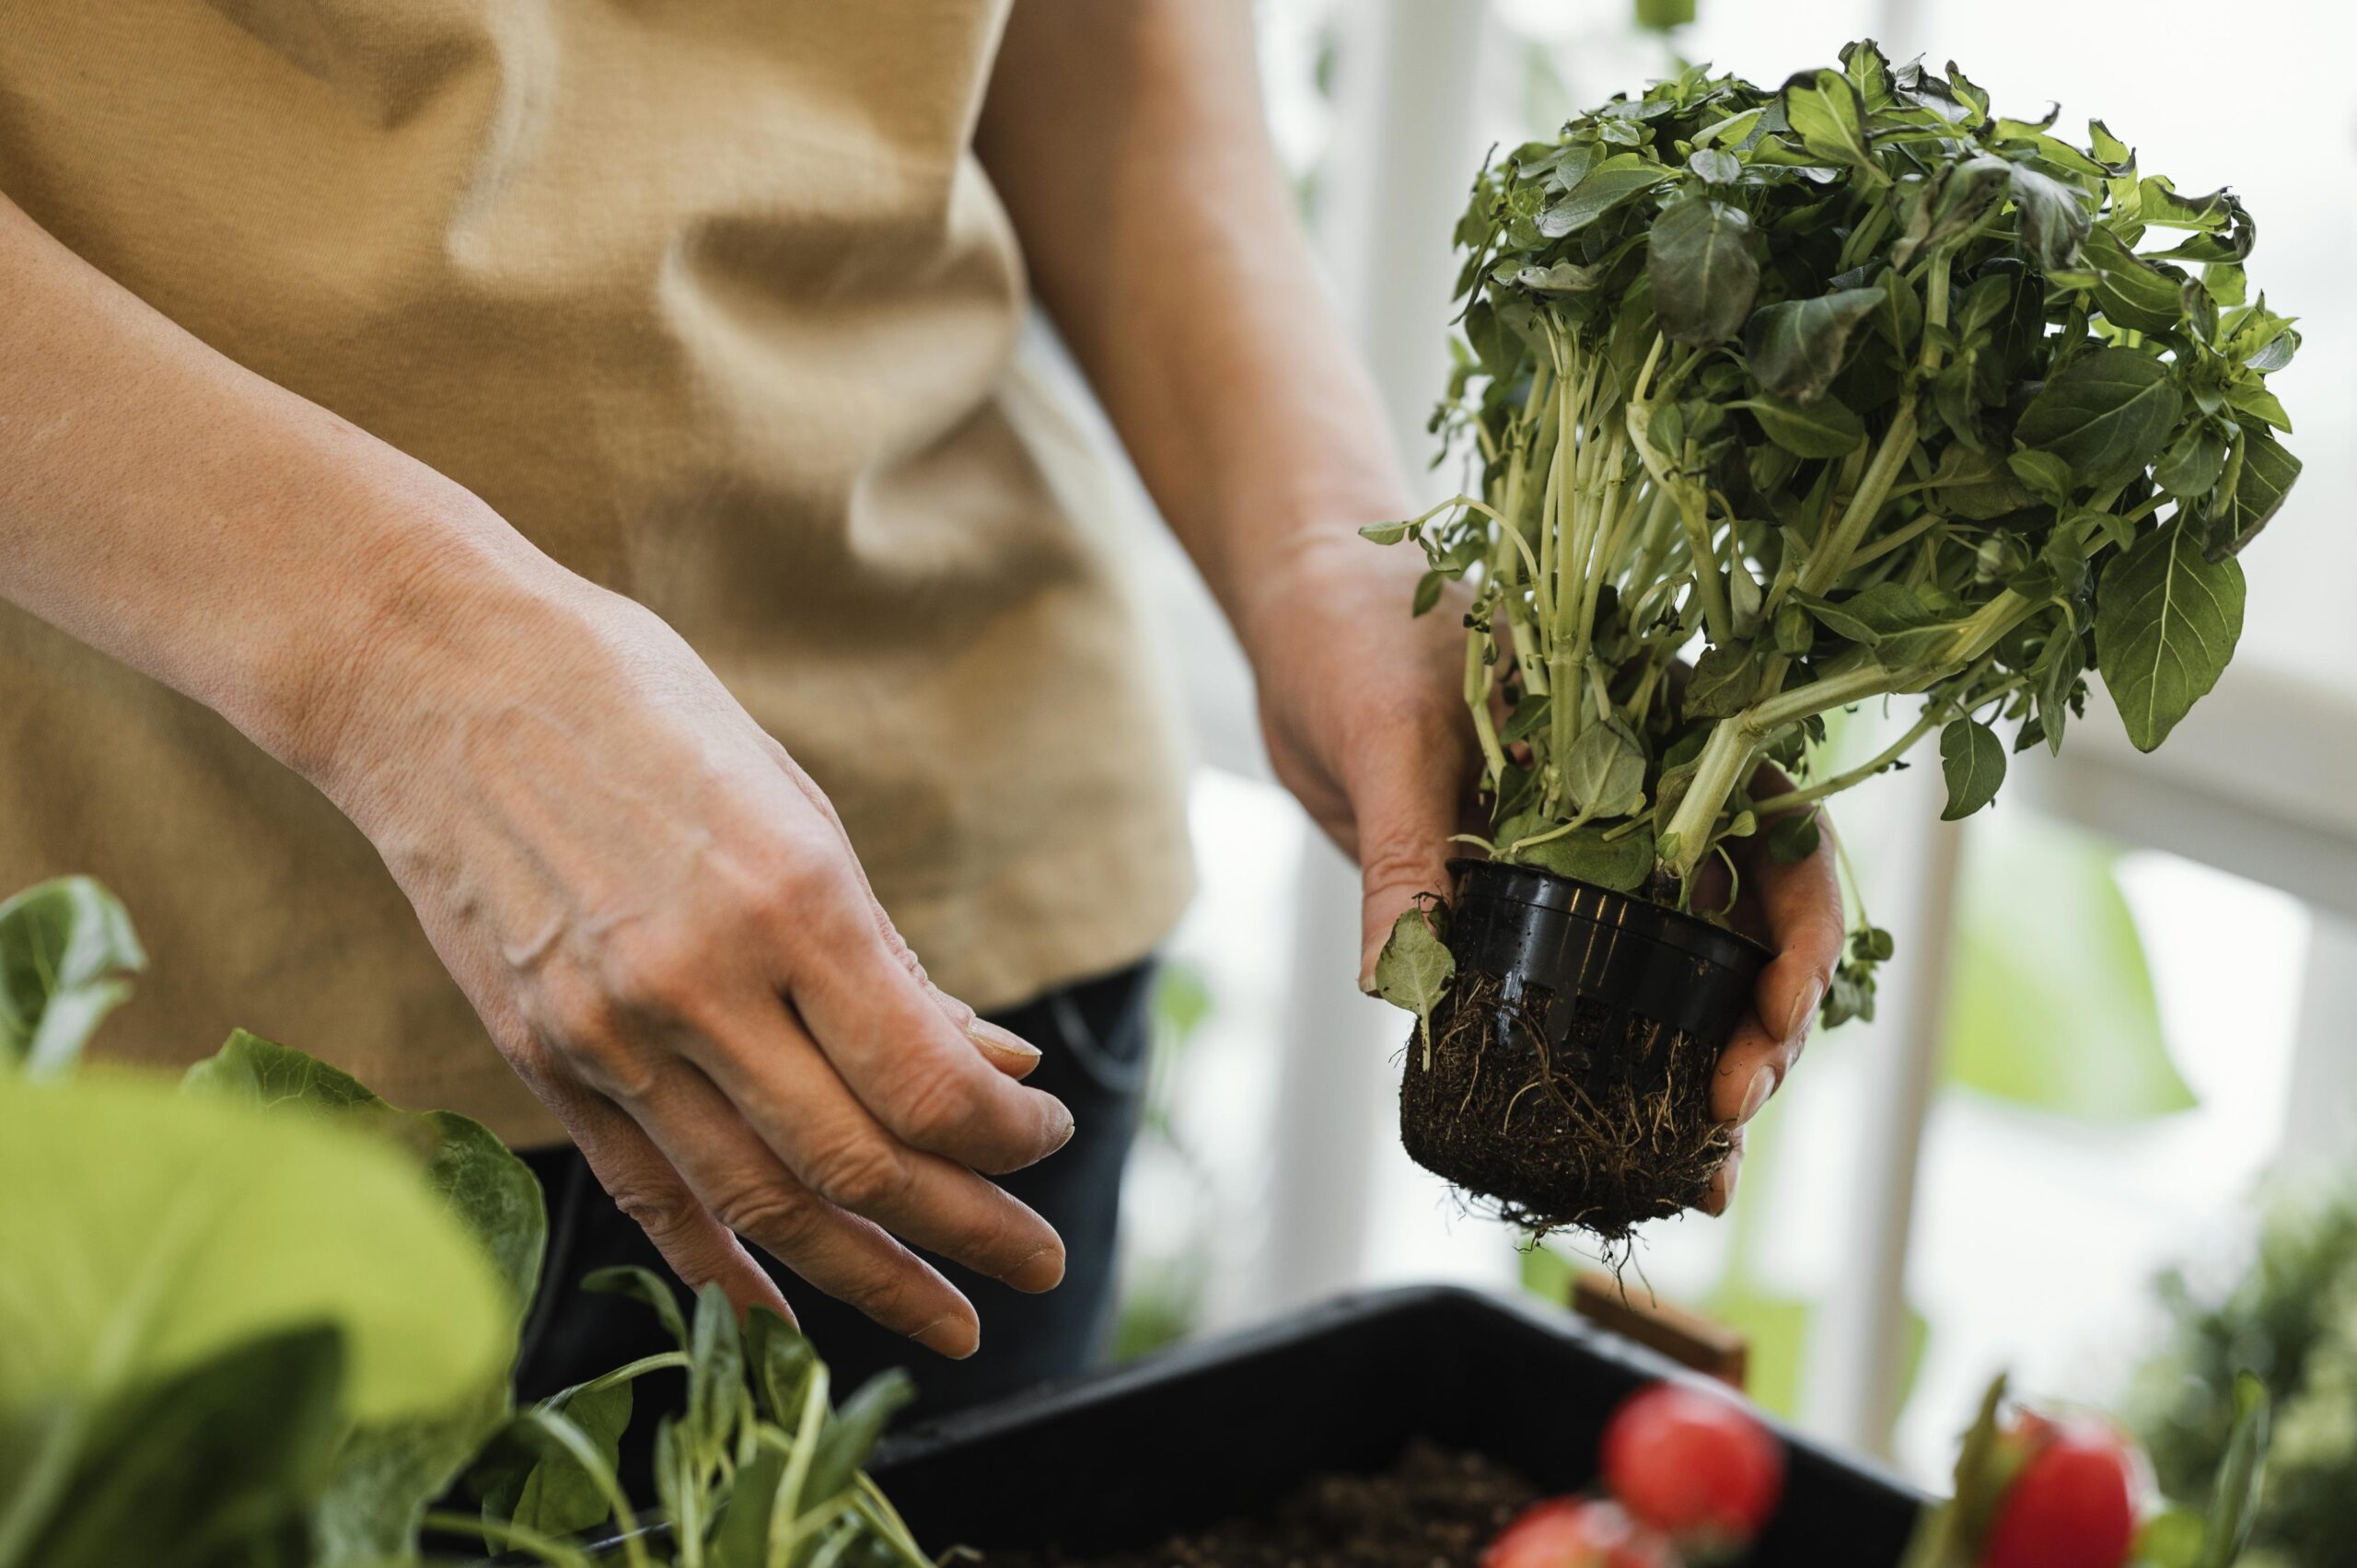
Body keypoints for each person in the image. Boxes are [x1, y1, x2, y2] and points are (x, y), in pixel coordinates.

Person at [0, 2, 1841, 1412]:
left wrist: (1324, 566)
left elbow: (1098, 53)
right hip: (153, 1009)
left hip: (943, 985)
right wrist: (410, 665)